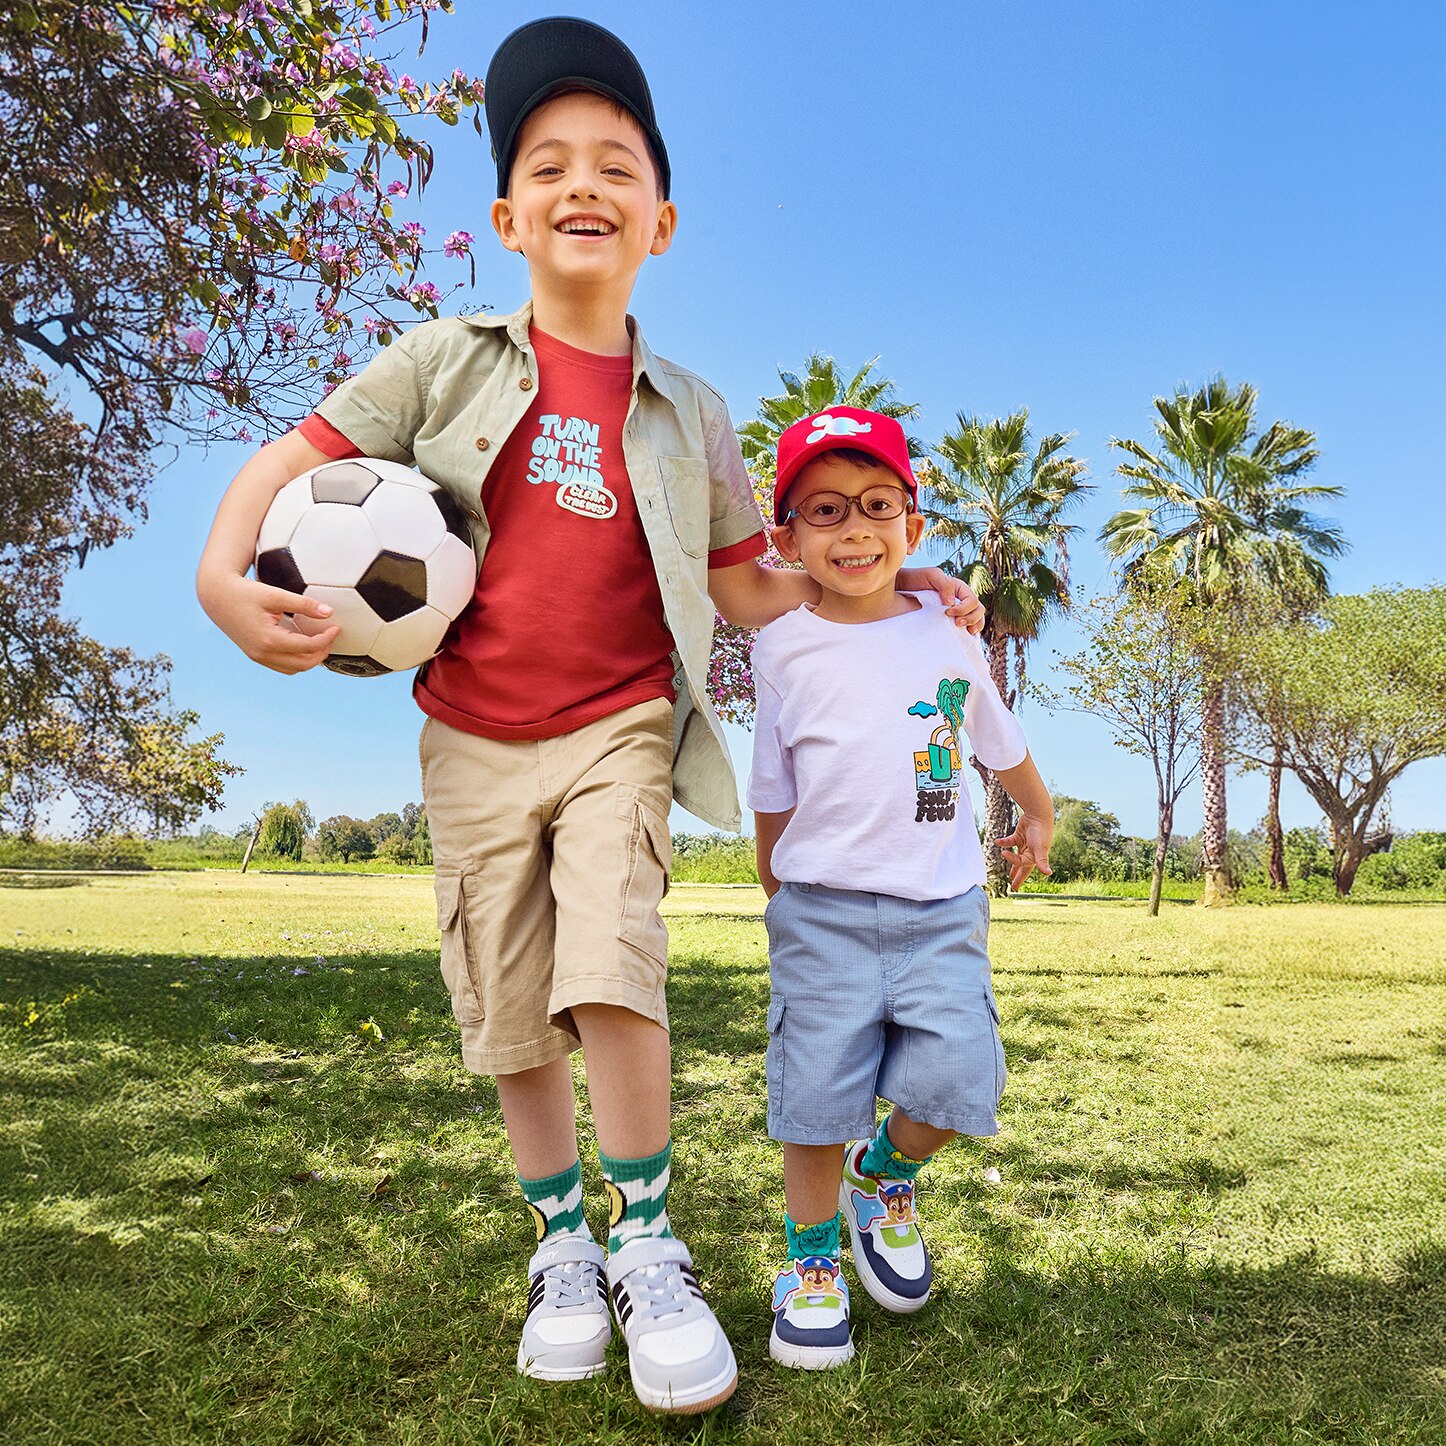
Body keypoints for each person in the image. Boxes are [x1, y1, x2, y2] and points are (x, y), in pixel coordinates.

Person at [195, 17, 985, 1414]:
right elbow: (290, 456)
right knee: (506, 1011)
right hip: (470, 737)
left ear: (660, 222)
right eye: (547, 162)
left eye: (614, 164)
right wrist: (221, 579)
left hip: (622, 722)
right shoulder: (440, 362)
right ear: (506, 214)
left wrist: (896, 585)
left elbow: (755, 583)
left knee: (612, 964)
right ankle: (563, 1243)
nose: (582, 184)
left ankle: (648, 1236)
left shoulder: (692, 410)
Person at [749, 404, 1053, 1370]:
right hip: (822, 911)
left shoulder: (947, 629)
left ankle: (882, 1178)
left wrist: (1036, 813)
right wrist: (773, 881)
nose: (854, 528)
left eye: (878, 505)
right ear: (789, 538)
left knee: (964, 1081)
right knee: (815, 1099)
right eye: (826, 509)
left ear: (913, 528)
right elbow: (773, 781)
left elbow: (996, 740)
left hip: (942, 908)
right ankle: (809, 1265)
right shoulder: (783, 643)